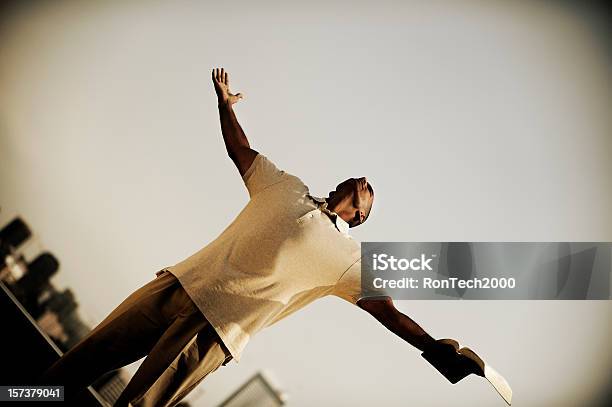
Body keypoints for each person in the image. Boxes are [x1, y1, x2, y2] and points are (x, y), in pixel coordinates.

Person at [40, 68, 463, 407]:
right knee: (82, 360)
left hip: (217, 331)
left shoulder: (350, 257)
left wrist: (432, 347)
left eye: (369, 190)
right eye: (361, 179)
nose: (365, 180)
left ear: (362, 217)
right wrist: (226, 106)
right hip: (178, 284)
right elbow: (240, 149)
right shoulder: (286, 186)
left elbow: (388, 313)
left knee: (139, 405)